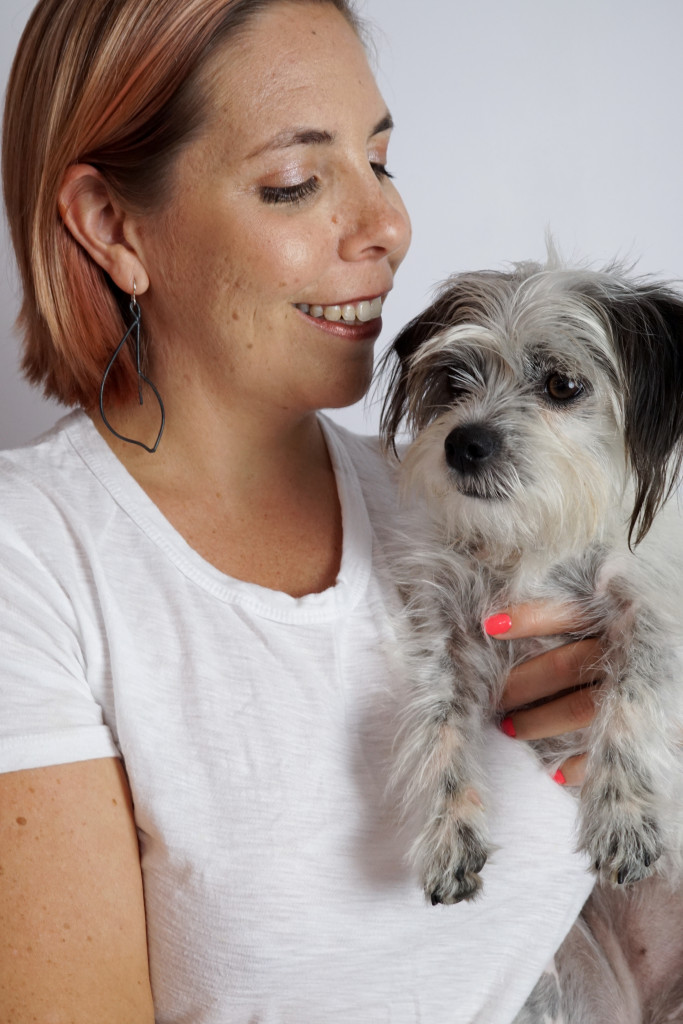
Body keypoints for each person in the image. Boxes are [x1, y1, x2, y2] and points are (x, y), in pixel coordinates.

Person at [0, 0, 609, 1020]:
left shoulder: (466, 492)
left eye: (381, 161)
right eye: (294, 183)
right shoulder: (36, 560)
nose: (387, 228)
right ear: (112, 226)